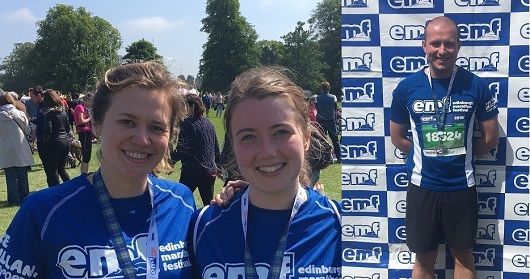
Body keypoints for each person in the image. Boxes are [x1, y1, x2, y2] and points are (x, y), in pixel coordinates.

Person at [1, 62, 197, 278]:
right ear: (96, 124)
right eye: (127, 122)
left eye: (157, 127)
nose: (142, 139)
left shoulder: (181, 203)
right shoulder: (42, 212)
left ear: (170, 135)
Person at [189, 66, 342, 279]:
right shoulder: (202, 226)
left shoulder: (343, 224)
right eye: (249, 137)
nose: (267, 152)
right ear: (233, 144)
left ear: (306, 137)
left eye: (281, 132)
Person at [390, 16, 499, 279]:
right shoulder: (407, 88)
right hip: (422, 187)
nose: (442, 51)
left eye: (449, 44)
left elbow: (490, 139)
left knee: (463, 258)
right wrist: (426, 155)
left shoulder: (477, 86)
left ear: (459, 46)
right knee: (424, 260)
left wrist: (460, 154)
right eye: (435, 43)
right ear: (424, 46)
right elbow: (397, 138)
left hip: (462, 187)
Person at [171, 93, 220, 206]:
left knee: (180, 202)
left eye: (184, 106)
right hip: (209, 171)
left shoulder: (186, 124)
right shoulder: (209, 123)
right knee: (208, 205)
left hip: (192, 170)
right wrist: (218, 167)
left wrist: (171, 162)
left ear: (192, 106)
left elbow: (181, 148)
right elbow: (216, 148)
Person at [0, 91, 33, 205]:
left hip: (5, 148)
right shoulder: (19, 114)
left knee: (10, 176)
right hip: (20, 146)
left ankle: (13, 199)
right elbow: (28, 130)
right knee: (22, 174)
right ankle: (24, 196)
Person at [41, 89, 71, 186]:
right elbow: (67, 128)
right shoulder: (63, 112)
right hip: (65, 141)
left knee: (53, 170)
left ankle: (55, 191)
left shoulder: (48, 114)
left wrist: (45, 142)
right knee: (62, 169)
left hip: (54, 142)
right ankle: (70, 187)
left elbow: (48, 131)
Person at [315, 81, 341, 163]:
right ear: (329, 88)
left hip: (321, 121)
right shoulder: (333, 97)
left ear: (321, 88)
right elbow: (335, 108)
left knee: (321, 140)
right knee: (335, 140)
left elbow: (317, 108)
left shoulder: (317, 98)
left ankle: (323, 158)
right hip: (331, 121)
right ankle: (339, 157)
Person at [73, 93, 94, 174]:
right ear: (87, 100)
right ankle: (83, 174)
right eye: (91, 102)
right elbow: (81, 121)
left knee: (87, 155)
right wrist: (90, 117)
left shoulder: (84, 108)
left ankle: (85, 172)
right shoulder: (80, 107)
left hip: (87, 132)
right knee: (86, 154)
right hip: (84, 132)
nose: (91, 104)